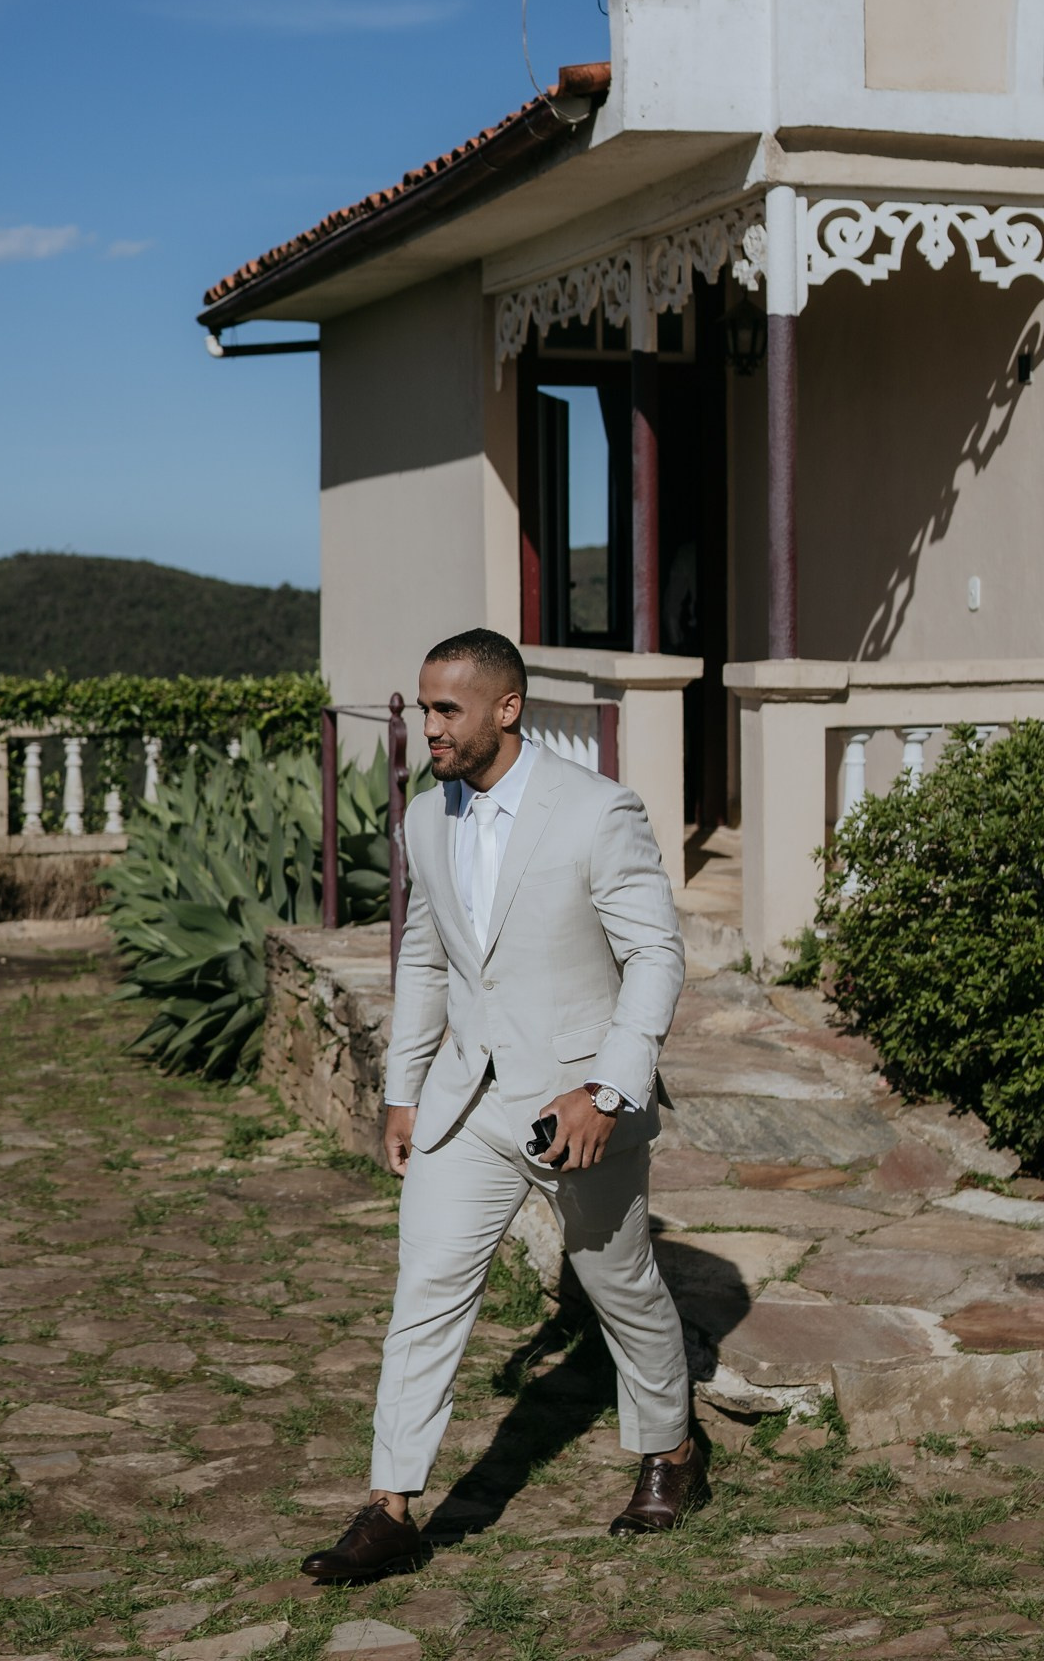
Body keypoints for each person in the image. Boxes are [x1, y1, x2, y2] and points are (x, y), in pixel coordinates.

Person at [302, 628, 703, 1581]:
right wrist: (405, 1091)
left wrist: (606, 1088)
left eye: (448, 709)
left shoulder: (598, 811)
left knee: (620, 1286)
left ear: (507, 709)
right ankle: (390, 1508)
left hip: (578, 1108)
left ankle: (673, 1451)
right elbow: (427, 958)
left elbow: (655, 954)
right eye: (424, 708)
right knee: (426, 1292)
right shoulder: (426, 816)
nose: (430, 727)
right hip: (466, 1103)